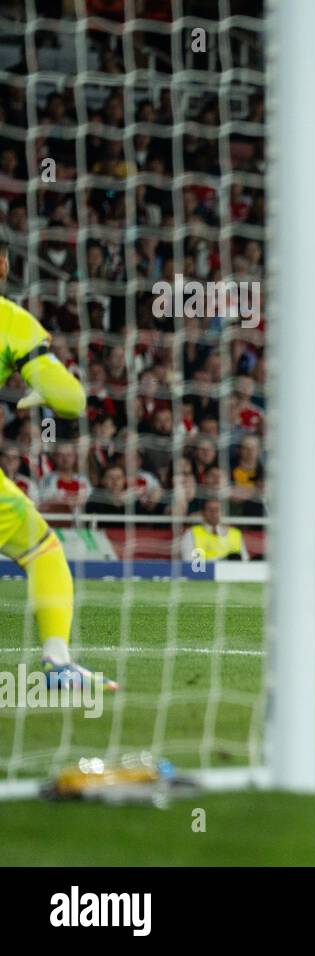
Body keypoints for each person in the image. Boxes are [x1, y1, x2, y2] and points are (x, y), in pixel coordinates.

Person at [0, 234, 116, 689]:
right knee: (42, 548)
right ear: (5, 266)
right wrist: (40, 391)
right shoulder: (12, 322)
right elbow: (72, 399)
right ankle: (57, 665)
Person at [179, 497, 250, 561]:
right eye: (210, 510)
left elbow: (245, 561)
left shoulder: (236, 533)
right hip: (205, 574)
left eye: (217, 510)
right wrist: (222, 561)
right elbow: (189, 562)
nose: (214, 513)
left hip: (233, 574)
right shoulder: (191, 533)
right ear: (202, 513)